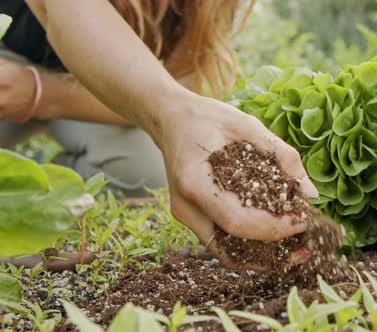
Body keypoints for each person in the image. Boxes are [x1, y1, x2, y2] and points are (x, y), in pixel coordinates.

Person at [0, 1, 318, 269]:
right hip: (7, 55)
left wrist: (37, 92)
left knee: (139, 166)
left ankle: (50, 201)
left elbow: (183, 82)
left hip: (95, 90)